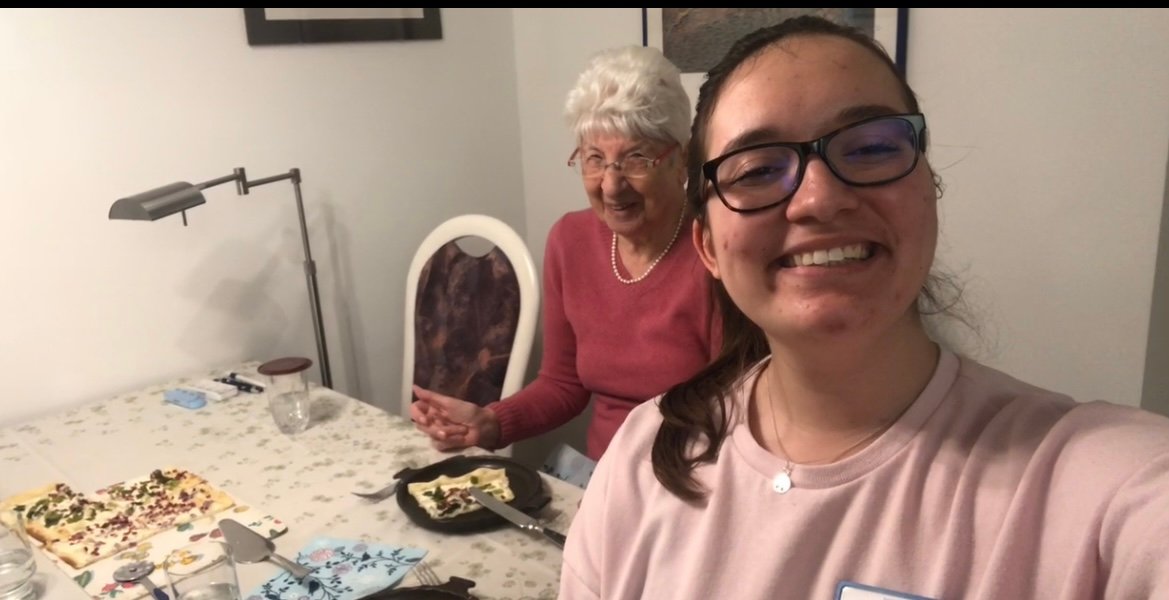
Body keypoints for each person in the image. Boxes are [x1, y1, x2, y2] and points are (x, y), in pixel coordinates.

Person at [561, 16, 1169, 599]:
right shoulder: (643, 456)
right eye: (758, 169)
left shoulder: (1096, 485)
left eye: (872, 148)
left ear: (929, 189)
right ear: (710, 247)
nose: (819, 199)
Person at [410, 45, 721, 462]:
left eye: (636, 159)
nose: (611, 186)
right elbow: (563, 383)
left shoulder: (716, 252)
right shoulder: (569, 241)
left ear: (681, 160)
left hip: (692, 475)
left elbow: (733, 414)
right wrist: (490, 422)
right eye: (594, 159)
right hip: (601, 474)